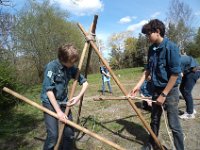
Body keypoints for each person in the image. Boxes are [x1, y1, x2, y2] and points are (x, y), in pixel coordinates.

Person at [130, 19, 184, 150]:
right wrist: (138, 85)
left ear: (157, 31)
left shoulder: (171, 48)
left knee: (173, 124)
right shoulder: (151, 49)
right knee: (154, 120)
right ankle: (151, 144)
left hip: (170, 91)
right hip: (155, 89)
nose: (147, 37)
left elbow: (175, 74)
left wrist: (164, 94)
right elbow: (148, 69)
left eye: (148, 34)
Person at [41, 43, 88, 150]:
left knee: (69, 134)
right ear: (62, 58)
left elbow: (85, 84)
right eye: (71, 61)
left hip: (64, 102)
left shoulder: (71, 68)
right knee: (53, 135)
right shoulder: (51, 67)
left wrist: (78, 97)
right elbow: (49, 91)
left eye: (74, 61)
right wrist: (58, 112)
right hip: (49, 103)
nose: (73, 63)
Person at [179, 54, 200, 119]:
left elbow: (180, 75)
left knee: (186, 91)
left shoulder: (177, 60)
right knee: (182, 89)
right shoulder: (176, 58)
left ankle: (190, 113)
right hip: (189, 71)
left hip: (194, 72)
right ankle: (191, 109)